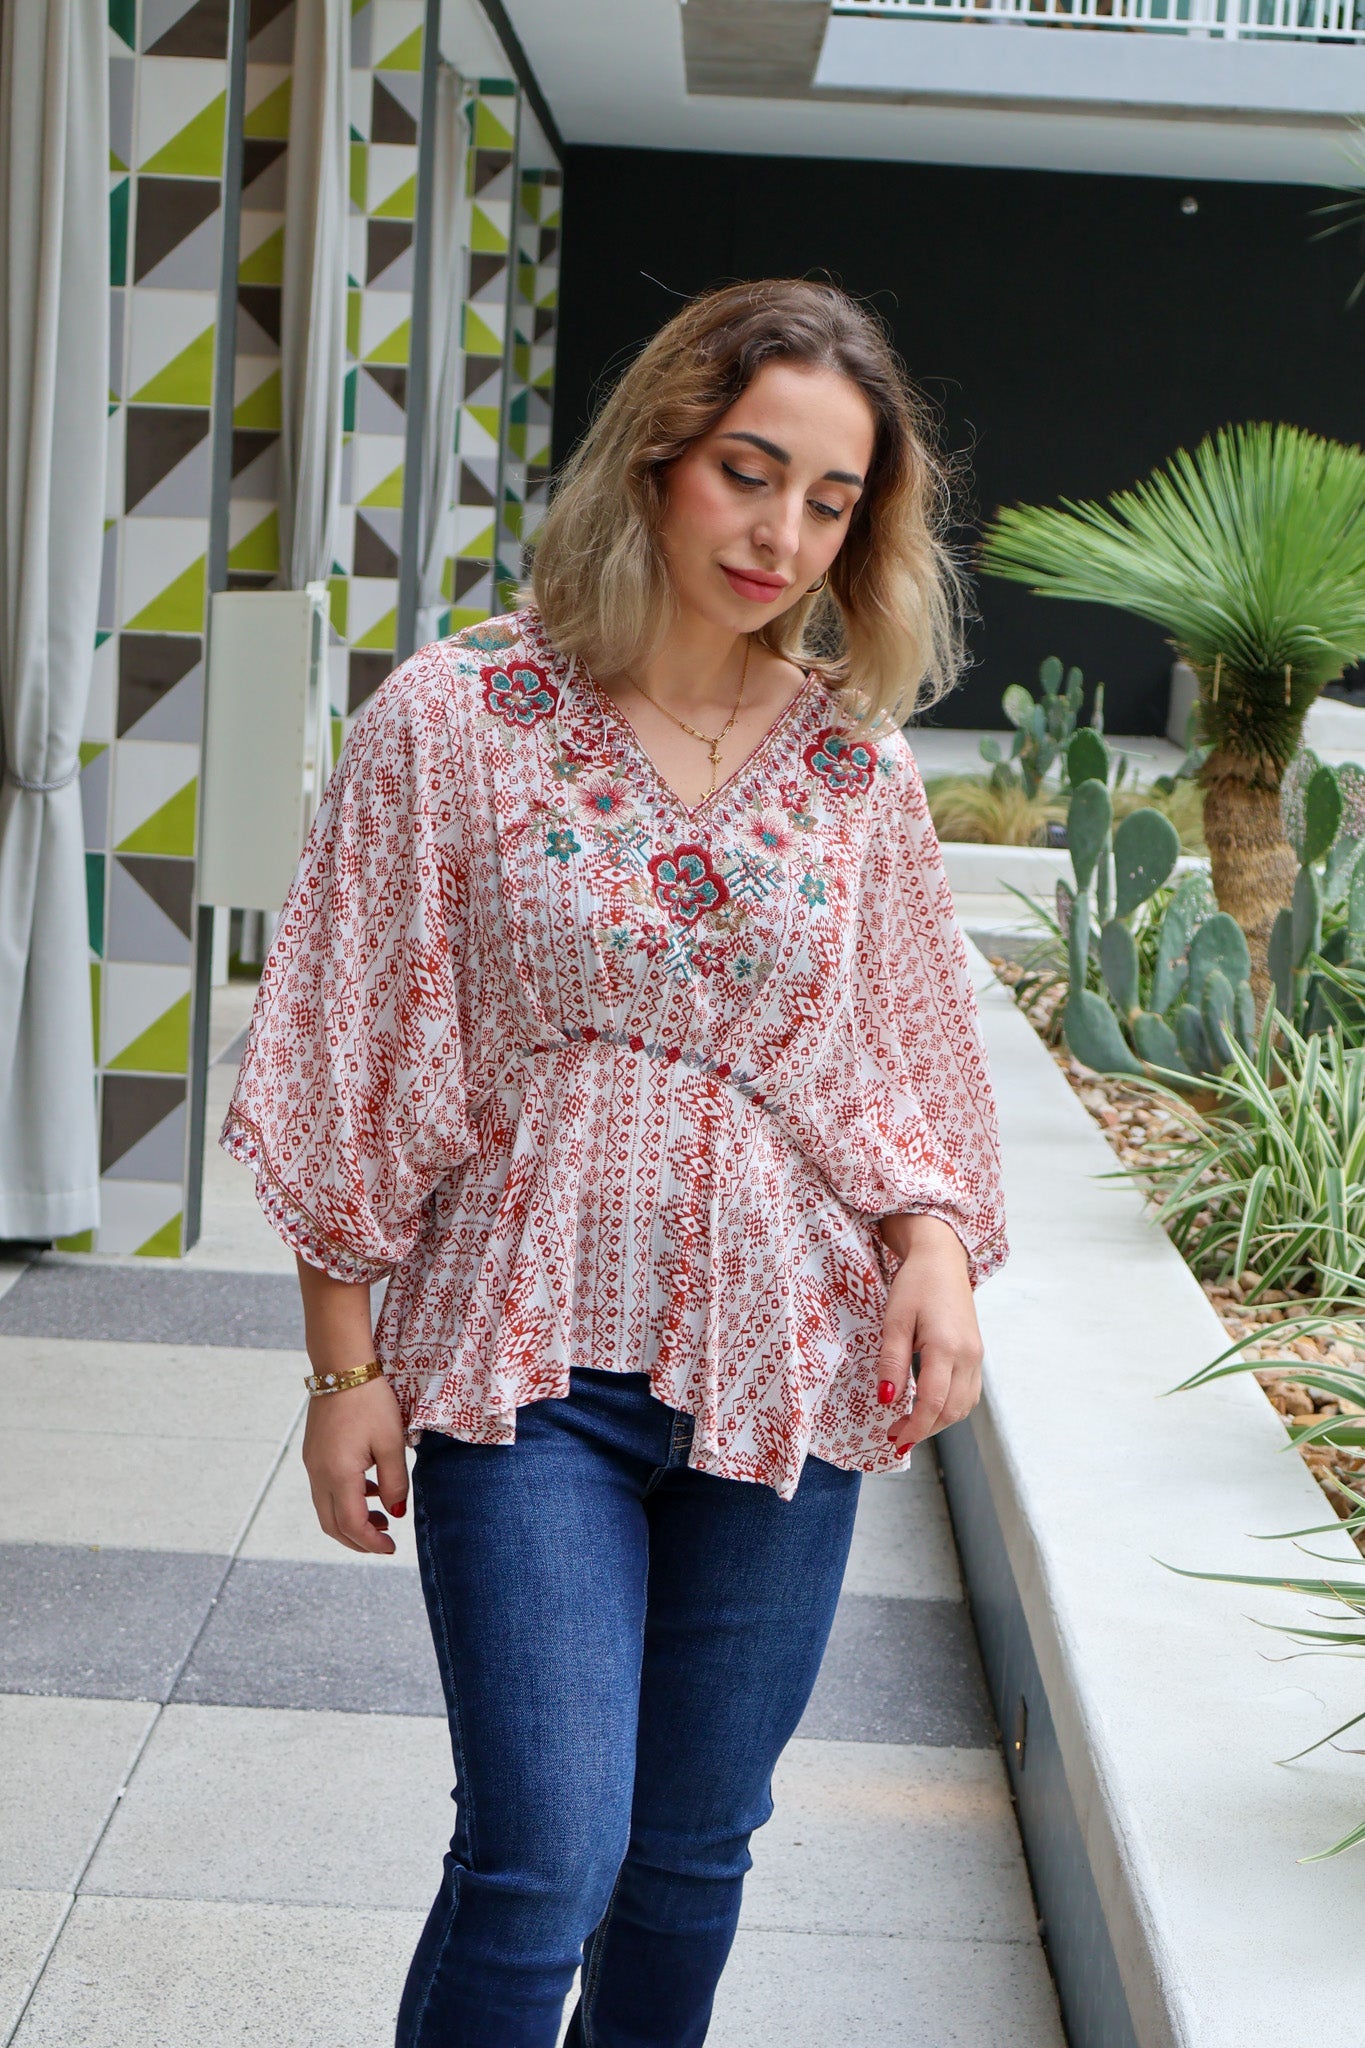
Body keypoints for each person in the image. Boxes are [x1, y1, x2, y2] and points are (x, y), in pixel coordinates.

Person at [223, 277, 1006, 2048]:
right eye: (749, 471)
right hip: (524, 1372)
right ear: (654, 457)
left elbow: (898, 1066)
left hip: (781, 1368)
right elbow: (347, 1046)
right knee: (540, 1863)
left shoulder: (853, 767)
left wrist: (932, 1250)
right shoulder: (457, 715)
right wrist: (341, 1367)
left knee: (689, 1860)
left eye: (831, 503)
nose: (782, 535)